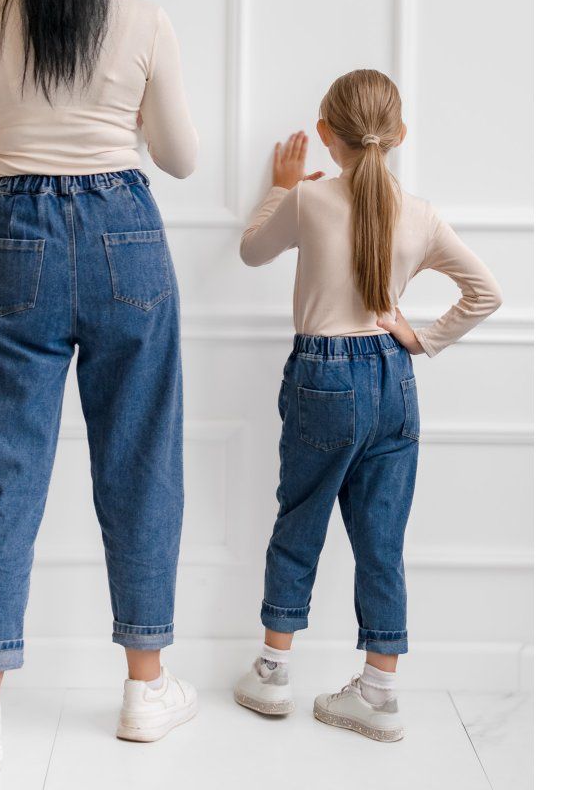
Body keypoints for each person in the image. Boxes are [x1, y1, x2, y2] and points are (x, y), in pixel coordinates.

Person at [0, 0, 199, 774]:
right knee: (141, 463)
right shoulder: (144, 22)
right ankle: (145, 690)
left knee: (5, 475)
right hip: (127, 237)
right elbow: (180, 157)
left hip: (15, 242)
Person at [232, 69, 502, 741]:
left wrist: (281, 187)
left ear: (327, 135)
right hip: (393, 380)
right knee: (382, 539)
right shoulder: (422, 214)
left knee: (300, 521)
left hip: (324, 379)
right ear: (400, 133)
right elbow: (486, 292)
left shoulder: (309, 199)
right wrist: (422, 338)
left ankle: (272, 674)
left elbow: (251, 250)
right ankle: (379, 694)